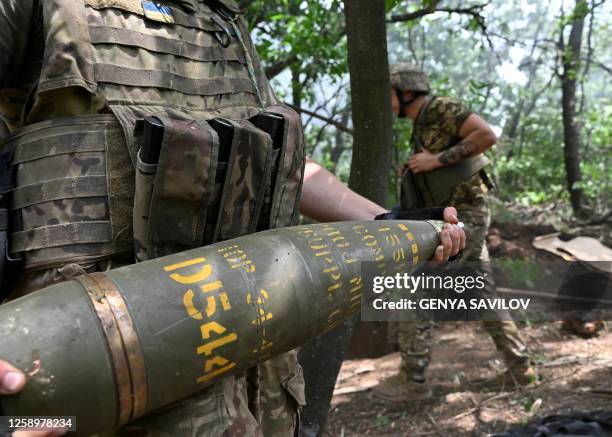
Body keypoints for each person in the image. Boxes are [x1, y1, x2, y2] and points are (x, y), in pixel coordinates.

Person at [0, 2, 464, 436]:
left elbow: (275, 162)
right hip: (86, 359)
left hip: (254, 369)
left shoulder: (223, 23)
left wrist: (384, 219)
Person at [373, 63, 536, 402]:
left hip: (466, 217)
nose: (388, 103)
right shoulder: (422, 123)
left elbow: (486, 135)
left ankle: (413, 381)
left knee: (415, 285)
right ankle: (523, 369)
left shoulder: (441, 107)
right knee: (484, 292)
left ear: (404, 92)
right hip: (456, 217)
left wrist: (435, 160)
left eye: (390, 94)